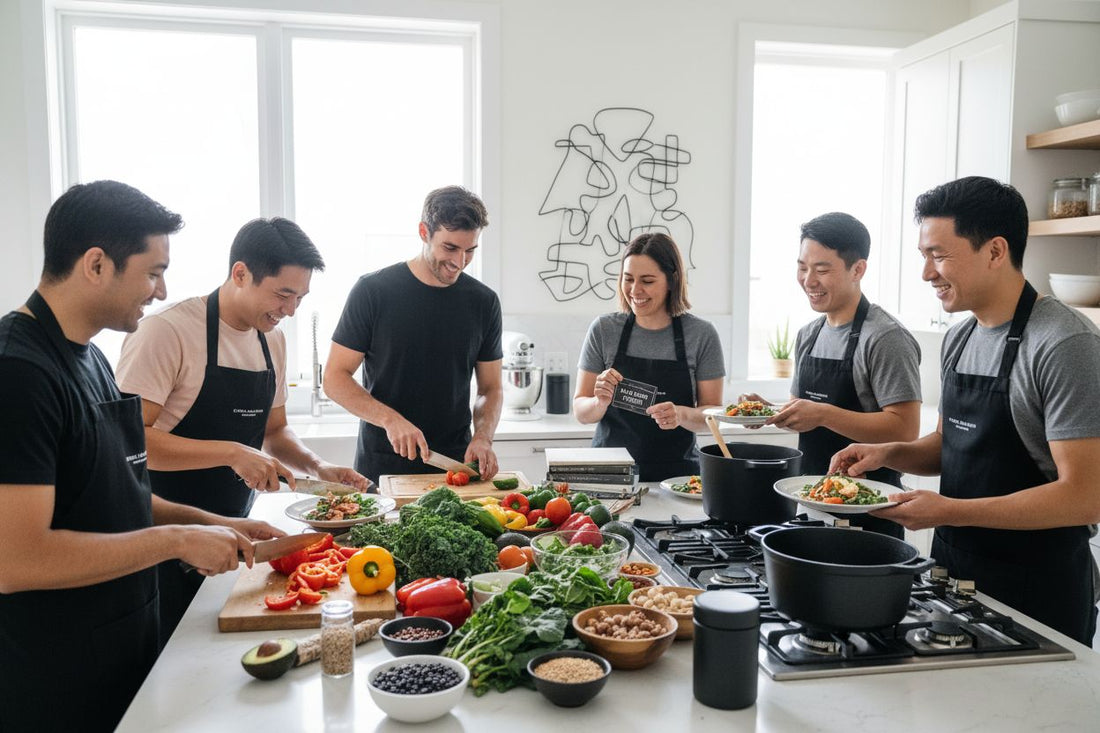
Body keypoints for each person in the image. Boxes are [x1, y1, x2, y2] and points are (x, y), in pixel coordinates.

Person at [0, 181, 283, 733]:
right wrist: (178, 542)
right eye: (152, 271)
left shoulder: (93, 361)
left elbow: (120, 496)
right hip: (57, 679)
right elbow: (17, 559)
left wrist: (222, 523)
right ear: (97, 264)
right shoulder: (18, 373)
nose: (160, 290)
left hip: (123, 648)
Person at [830, 176, 1100, 646]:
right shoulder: (961, 336)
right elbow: (948, 444)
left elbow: (1086, 494)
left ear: (995, 251)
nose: (926, 273)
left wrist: (950, 510)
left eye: (938, 254)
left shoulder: (1064, 344)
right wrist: (887, 452)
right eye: (923, 256)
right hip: (955, 574)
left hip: (1038, 589)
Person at [117, 216, 368, 643]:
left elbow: (275, 431)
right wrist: (232, 452)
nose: (289, 310)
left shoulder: (272, 340)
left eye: (300, 299)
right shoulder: (167, 331)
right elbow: (130, 442)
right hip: (165, 534)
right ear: (240, 274)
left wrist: (318, 467)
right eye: (283, 294)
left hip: (236, 530)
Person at [746, 213, 921, 538]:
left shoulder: (885, 338)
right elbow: (804, 411)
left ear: (858, 269)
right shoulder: (809, 334)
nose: (808, 280)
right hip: (811, 501)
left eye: (822, 269)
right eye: (802, 267)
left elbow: (906, 429)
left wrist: (824, 414)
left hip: (870, 515)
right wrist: (767, 411)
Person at [324, 186, 503, 485]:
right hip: (383, 468)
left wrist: (484, 437)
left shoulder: (483, 303)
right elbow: (334, 378)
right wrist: (390, 420)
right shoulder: (373, 292)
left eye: (469, 250)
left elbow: (490, 388)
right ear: (424, 232)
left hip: (455, 470)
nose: (459, 261)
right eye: (449, 248)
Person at [574, 232, 726, 481]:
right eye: (628, 279)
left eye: (647, 280)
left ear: (672, 281)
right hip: (610, 476)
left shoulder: (701, 334)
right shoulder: (604, 329)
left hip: (678, 478)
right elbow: (581, 411)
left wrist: (681, 414)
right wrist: (599, 403)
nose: (635, 290)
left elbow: (713, 415)